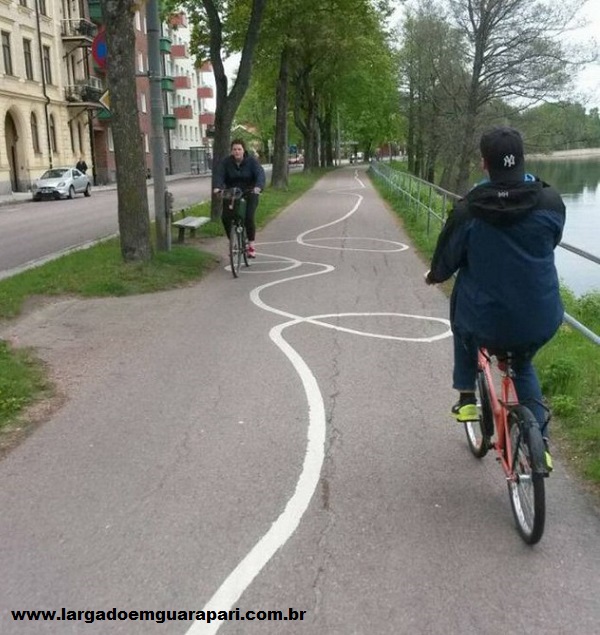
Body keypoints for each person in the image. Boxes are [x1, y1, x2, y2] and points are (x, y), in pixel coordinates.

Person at [425, 126, 566, 451]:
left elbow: (446, 262)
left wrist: (435, 275)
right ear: (522, 160)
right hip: (540, 318)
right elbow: (553, 240)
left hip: (483, 321)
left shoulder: (468, 210)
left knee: (462, 310)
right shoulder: (550, 201)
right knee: (523, 363)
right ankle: (539, 448)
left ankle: (466, 396)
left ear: (484, 164)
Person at [212, 139, 265, 258]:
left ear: (243, 150)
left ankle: (251, 245)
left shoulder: (252, 162)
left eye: (239, 149)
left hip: (249, 192)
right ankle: (233, 241)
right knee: (225, 217)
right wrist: (217, 187)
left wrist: (258, 187)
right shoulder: (226, 163)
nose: (237, 152)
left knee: (248, 217)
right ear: (231, 151)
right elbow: (219, 175)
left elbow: (260, 174)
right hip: (232, 193)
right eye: (234, 149)